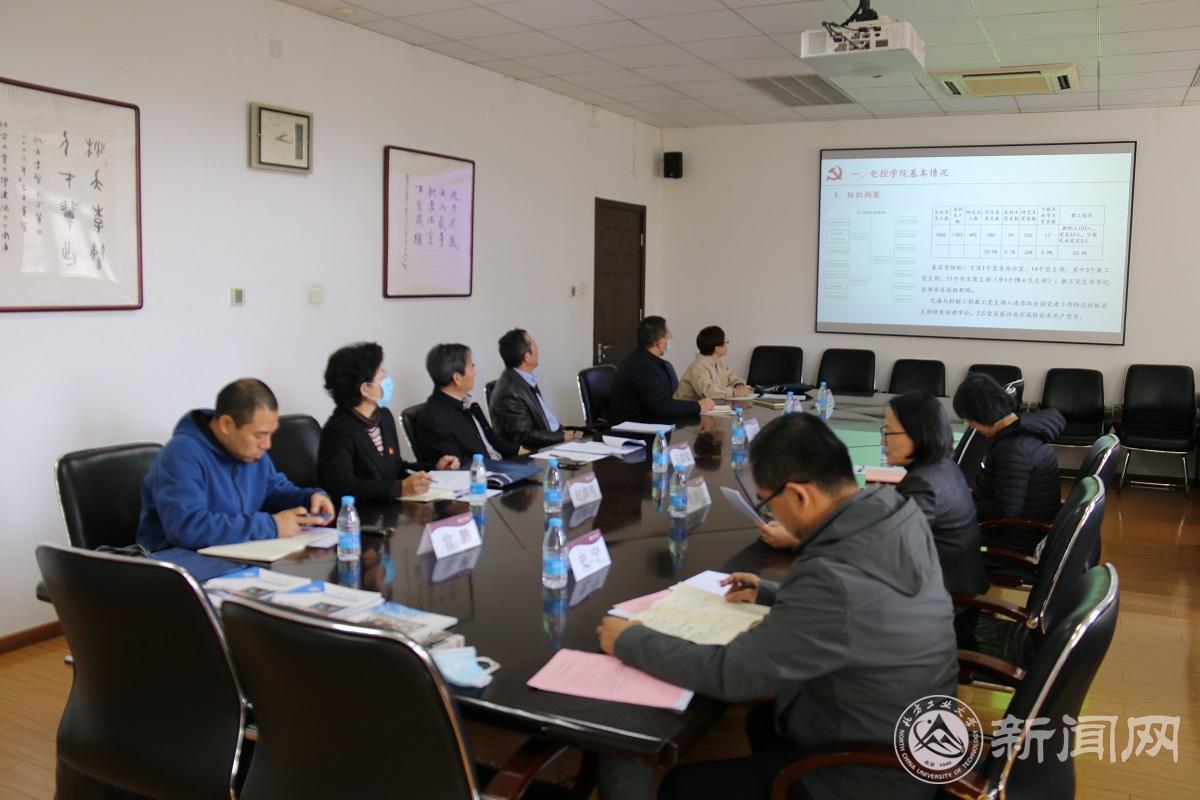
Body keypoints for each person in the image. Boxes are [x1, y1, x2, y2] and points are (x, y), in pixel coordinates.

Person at [596, 413, 957, 800]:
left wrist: (630, 640)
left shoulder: (831, 578)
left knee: (681, 787)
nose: (770, 515)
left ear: (800, 495)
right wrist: (771, 593)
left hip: (869, 777)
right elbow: (861, 604)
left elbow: (732, 674)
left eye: (769, 503)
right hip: (910, 738)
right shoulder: (894, 512)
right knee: (763, 721)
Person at [137, 378, 334, 551]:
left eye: (270, 434)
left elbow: (274, 492)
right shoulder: (181, 455)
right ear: (226, 425)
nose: (267, 444)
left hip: (236, 554)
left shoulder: (251, 453)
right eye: (259, 435)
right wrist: (271, 526)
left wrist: (309, 500)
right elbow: (187, 528)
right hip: (179, 565)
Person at [317, 342, 457, 503]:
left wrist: (435, 468)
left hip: (391, 508)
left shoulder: (383, 416)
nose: (387, 379)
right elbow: (342, 486)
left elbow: (395, 468)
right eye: (381, 376)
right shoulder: (338, 430)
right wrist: (398, 488)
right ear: (365, 389)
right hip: (362, 513)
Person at [953, 373, 1065, 554]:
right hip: (1023, 527)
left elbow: (1005, 510)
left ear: (983, 414)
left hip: (1012, 540)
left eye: (970, 420)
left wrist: (959, 503)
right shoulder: (1024, 431)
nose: (971, 426)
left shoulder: (1014, 449)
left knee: (939, 537)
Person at [418, 343, 526, 465]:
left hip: (500, 465)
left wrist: (525, 451)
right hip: (486, 473)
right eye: (472, 367)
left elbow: (493, 442)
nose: (475, 373)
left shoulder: (468, 404)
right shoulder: (434, 419)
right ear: (457, 378)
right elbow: (457, 466)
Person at [608, 316, 715, 423]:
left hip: (652, 421)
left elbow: (666, 401)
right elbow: (661, 406)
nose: (670, 340)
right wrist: (698, 406)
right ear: (659, 343)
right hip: (635, 426)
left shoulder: (652, 362)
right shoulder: (641, 366)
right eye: (668, 336)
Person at [489, 328, 578, 450]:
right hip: (538, 452)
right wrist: (561, 437)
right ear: (526, 357)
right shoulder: (508, 392)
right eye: (534, 345)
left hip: (554, 439)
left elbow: (543, 421)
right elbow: (525, 436)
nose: (538, 348)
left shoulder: (524, 379)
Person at [674, 325, 751, 402]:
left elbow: (732, 378)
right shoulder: (699, 366)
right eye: (725, 341)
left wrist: (739, 385)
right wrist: (735, 392)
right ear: (717, 349)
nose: (727, 344)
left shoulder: (719, 362)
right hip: (686, 407)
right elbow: (708, 392)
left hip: (710, 406)